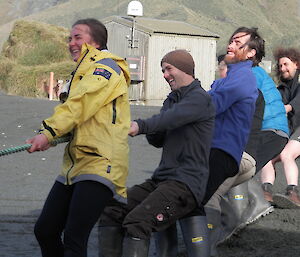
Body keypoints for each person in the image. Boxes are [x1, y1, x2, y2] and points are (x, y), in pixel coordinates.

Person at [25, 18, 131, 257]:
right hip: (75, 165)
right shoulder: (82, 72)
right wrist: (52, 138)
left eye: (77, 37)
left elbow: (79, 105)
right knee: (45, 230)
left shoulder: (105, 69)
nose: (71, 43)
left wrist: (48, 133)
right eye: (69, 38)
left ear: (95, 42)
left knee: (74, 238)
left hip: (101, 163)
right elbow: (80, 117)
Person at [98, 49, 215, 257]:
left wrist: (140, 126)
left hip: (185, 184)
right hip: (162, 180)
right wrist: (152, 131)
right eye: (162, 70)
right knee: (111, 210)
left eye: (168, 69)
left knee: (138, 222)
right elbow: (159, 137)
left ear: (185, 69)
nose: (164, 75)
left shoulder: (200, 99)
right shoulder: (172, 99)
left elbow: (173, 118)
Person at [155, 27, 260, 257]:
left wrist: (164, 116)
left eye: (237, 42)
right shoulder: (229, 78)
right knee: (188, 203)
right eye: (231, 41)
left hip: (220, 153)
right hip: (213, 152)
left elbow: (208, 107)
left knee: (174, 202)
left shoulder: (244, 77)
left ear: (251, 52)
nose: (230, 46)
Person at [261, 47, 300, 208]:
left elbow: (292, 105)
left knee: (286, 154)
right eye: (280, 65)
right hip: (290, 130)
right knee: (267, 157)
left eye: (286, 64)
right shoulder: (281, 89)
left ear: (296, 64)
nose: (283, 68)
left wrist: (286, 108)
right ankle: (266, 191)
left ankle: (293, 192)